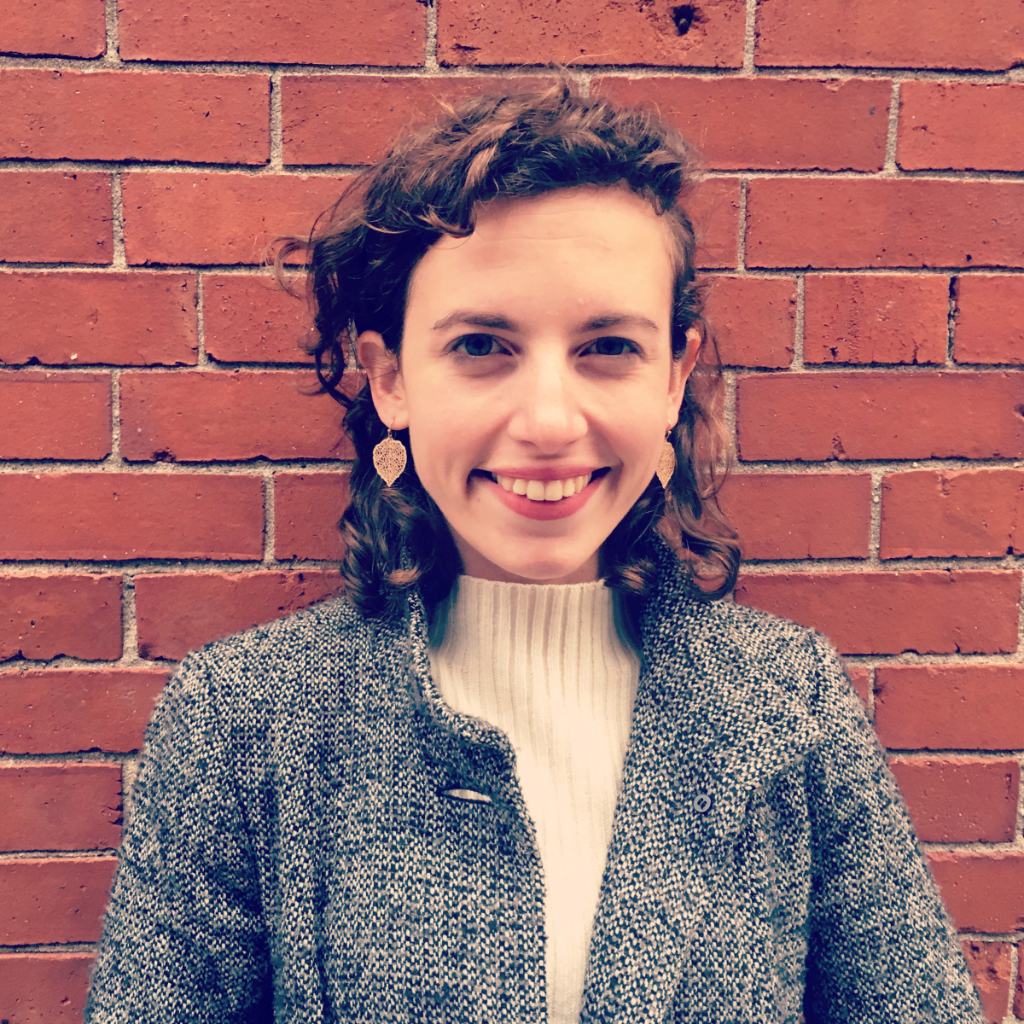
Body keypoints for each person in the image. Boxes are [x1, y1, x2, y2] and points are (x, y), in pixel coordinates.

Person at [85, 81, 984, 1023]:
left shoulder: (787, 702)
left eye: (608, 347)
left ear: (673, 377)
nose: (550, 423)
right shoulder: (245, 720)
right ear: (390, 378)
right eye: (482, 345)